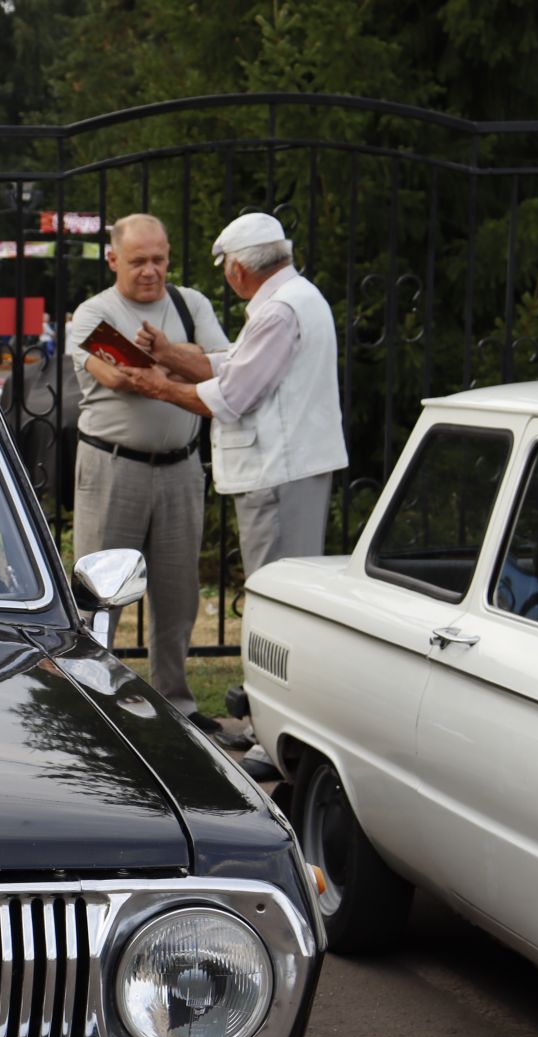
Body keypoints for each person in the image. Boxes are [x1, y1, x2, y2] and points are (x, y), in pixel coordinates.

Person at [64, 212, 230, 726]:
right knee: (100, 589)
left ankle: (176, 706)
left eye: (159, 259)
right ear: (113, 259)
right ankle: (95, 700)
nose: (151, 271)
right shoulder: (92, 314)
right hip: (114, 468)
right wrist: (180, 359)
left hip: (181, 468)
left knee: (178, 594)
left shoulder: (190, 303)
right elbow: (119, 377)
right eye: (138, 261)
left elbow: (219, 368)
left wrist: (168, 358)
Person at [127, 211, 347, 578]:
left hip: (277, 472)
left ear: (237, 270)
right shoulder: (298, 297)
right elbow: (238, 366)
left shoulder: (278, 311)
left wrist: (160, 387)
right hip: (288, 470)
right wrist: (167, 354)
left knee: (275, 588)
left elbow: (231, 396)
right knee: (289, 586)